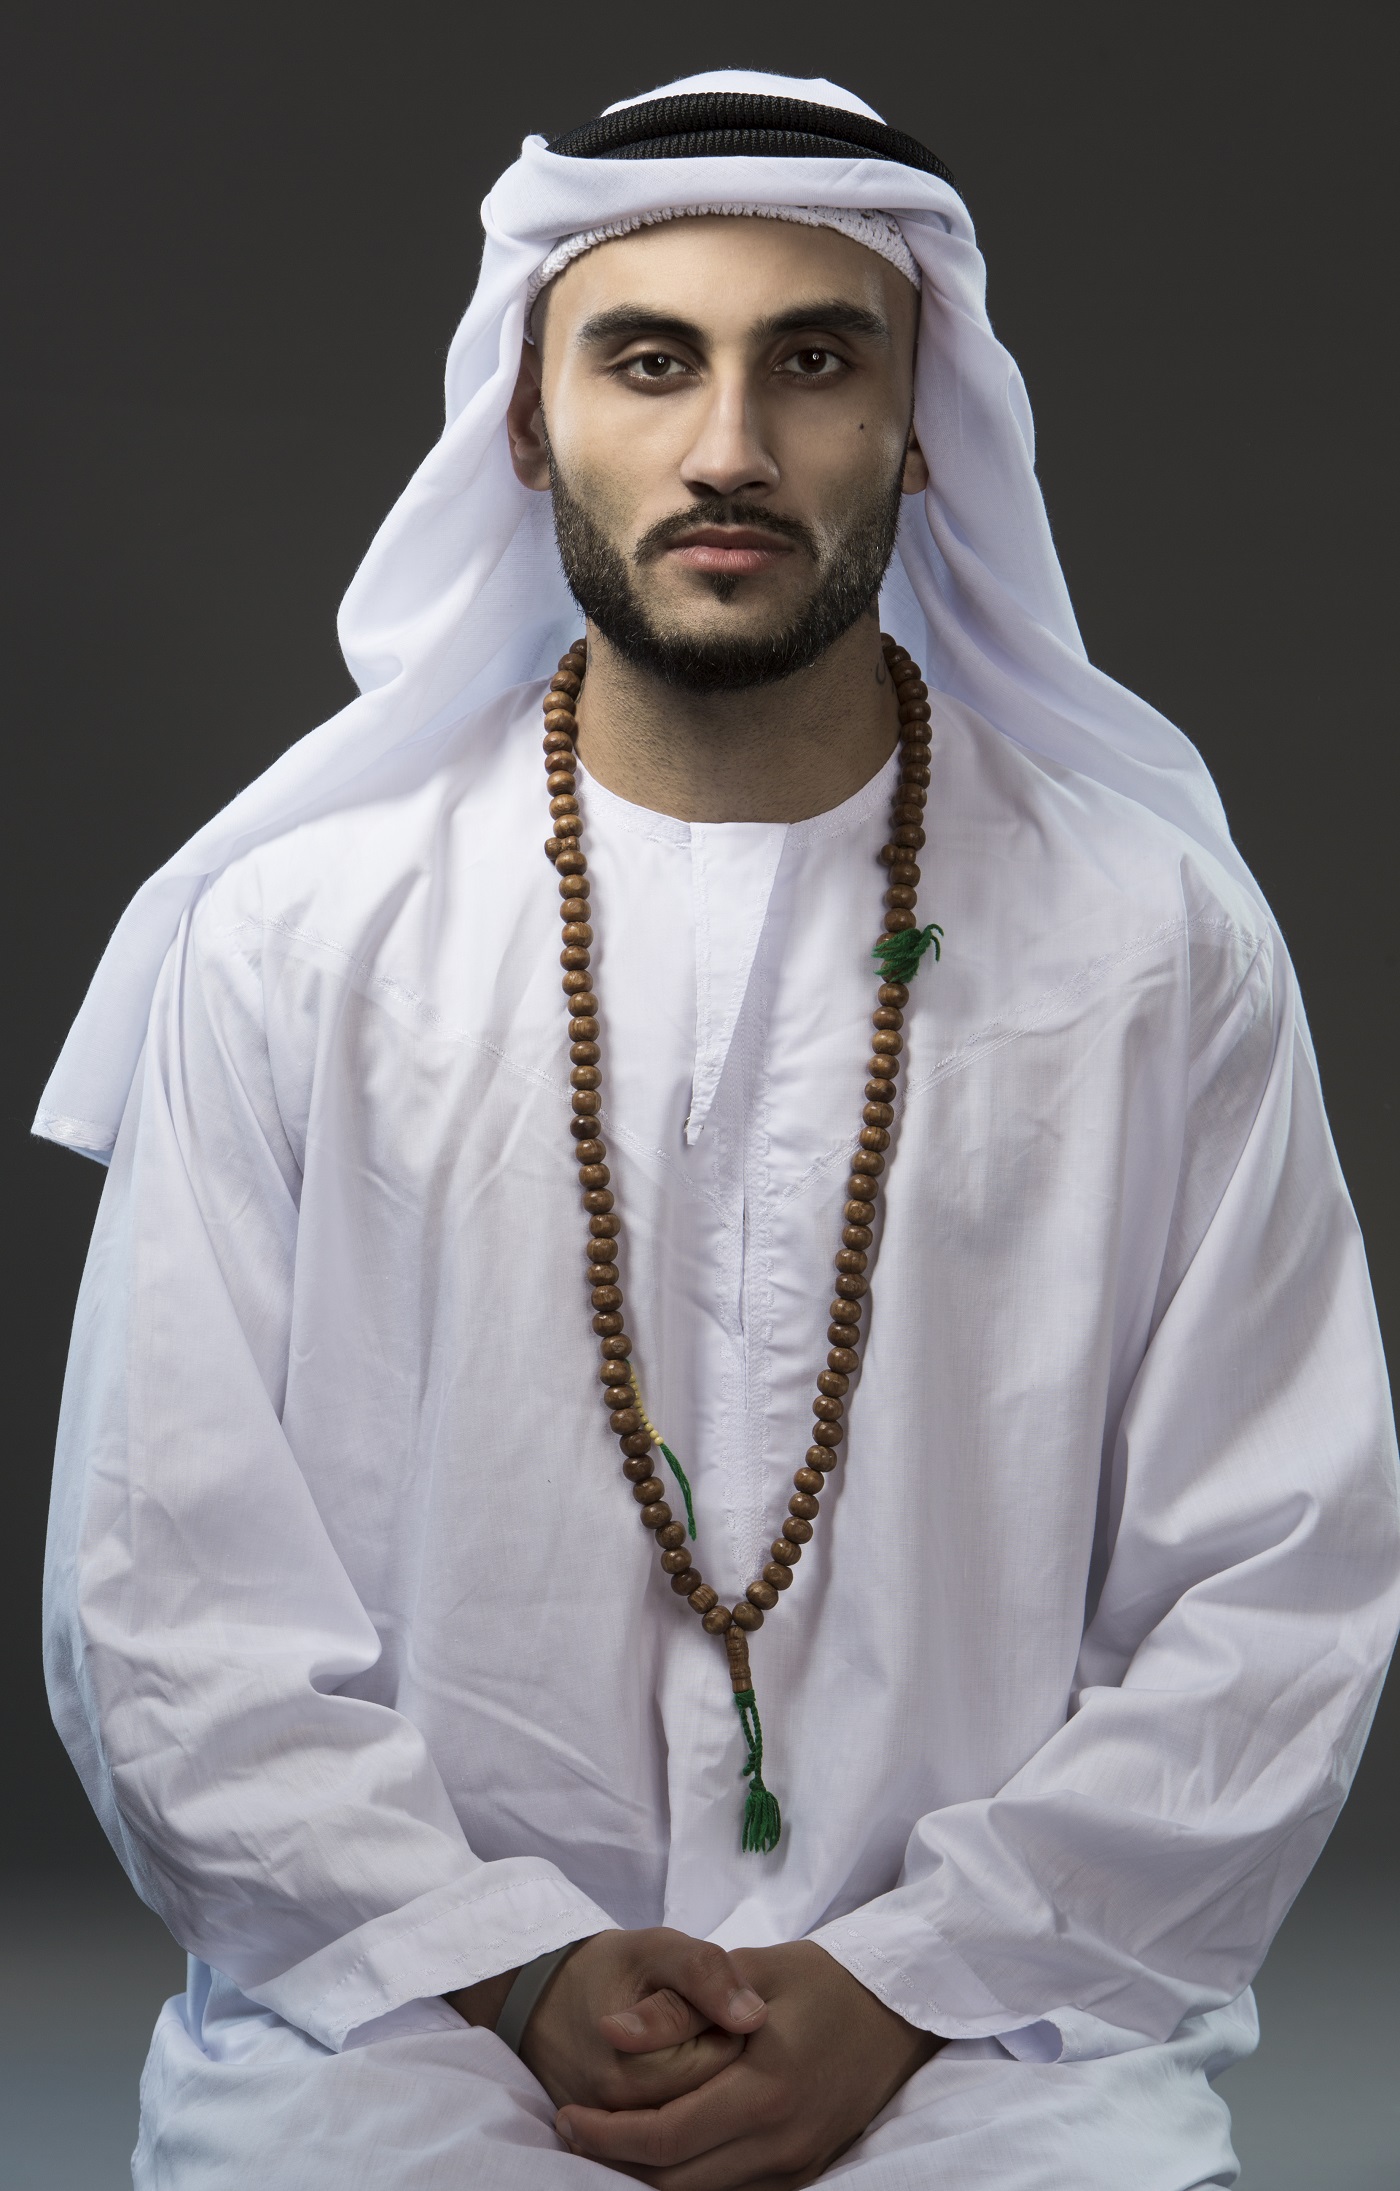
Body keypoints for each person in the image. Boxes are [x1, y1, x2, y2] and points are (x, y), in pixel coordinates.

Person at [38, 68, 1400, 2191]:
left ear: (926, 423)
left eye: (818, 359)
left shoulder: (1155, 950)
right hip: (403, 2030)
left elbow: (1281, 1577)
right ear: (524, 416)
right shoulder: (294, 935)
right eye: (649, 359)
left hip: (991, 2046)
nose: (731, 446)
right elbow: (159, 1593)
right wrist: (514, 1965)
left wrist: (909, 1979)